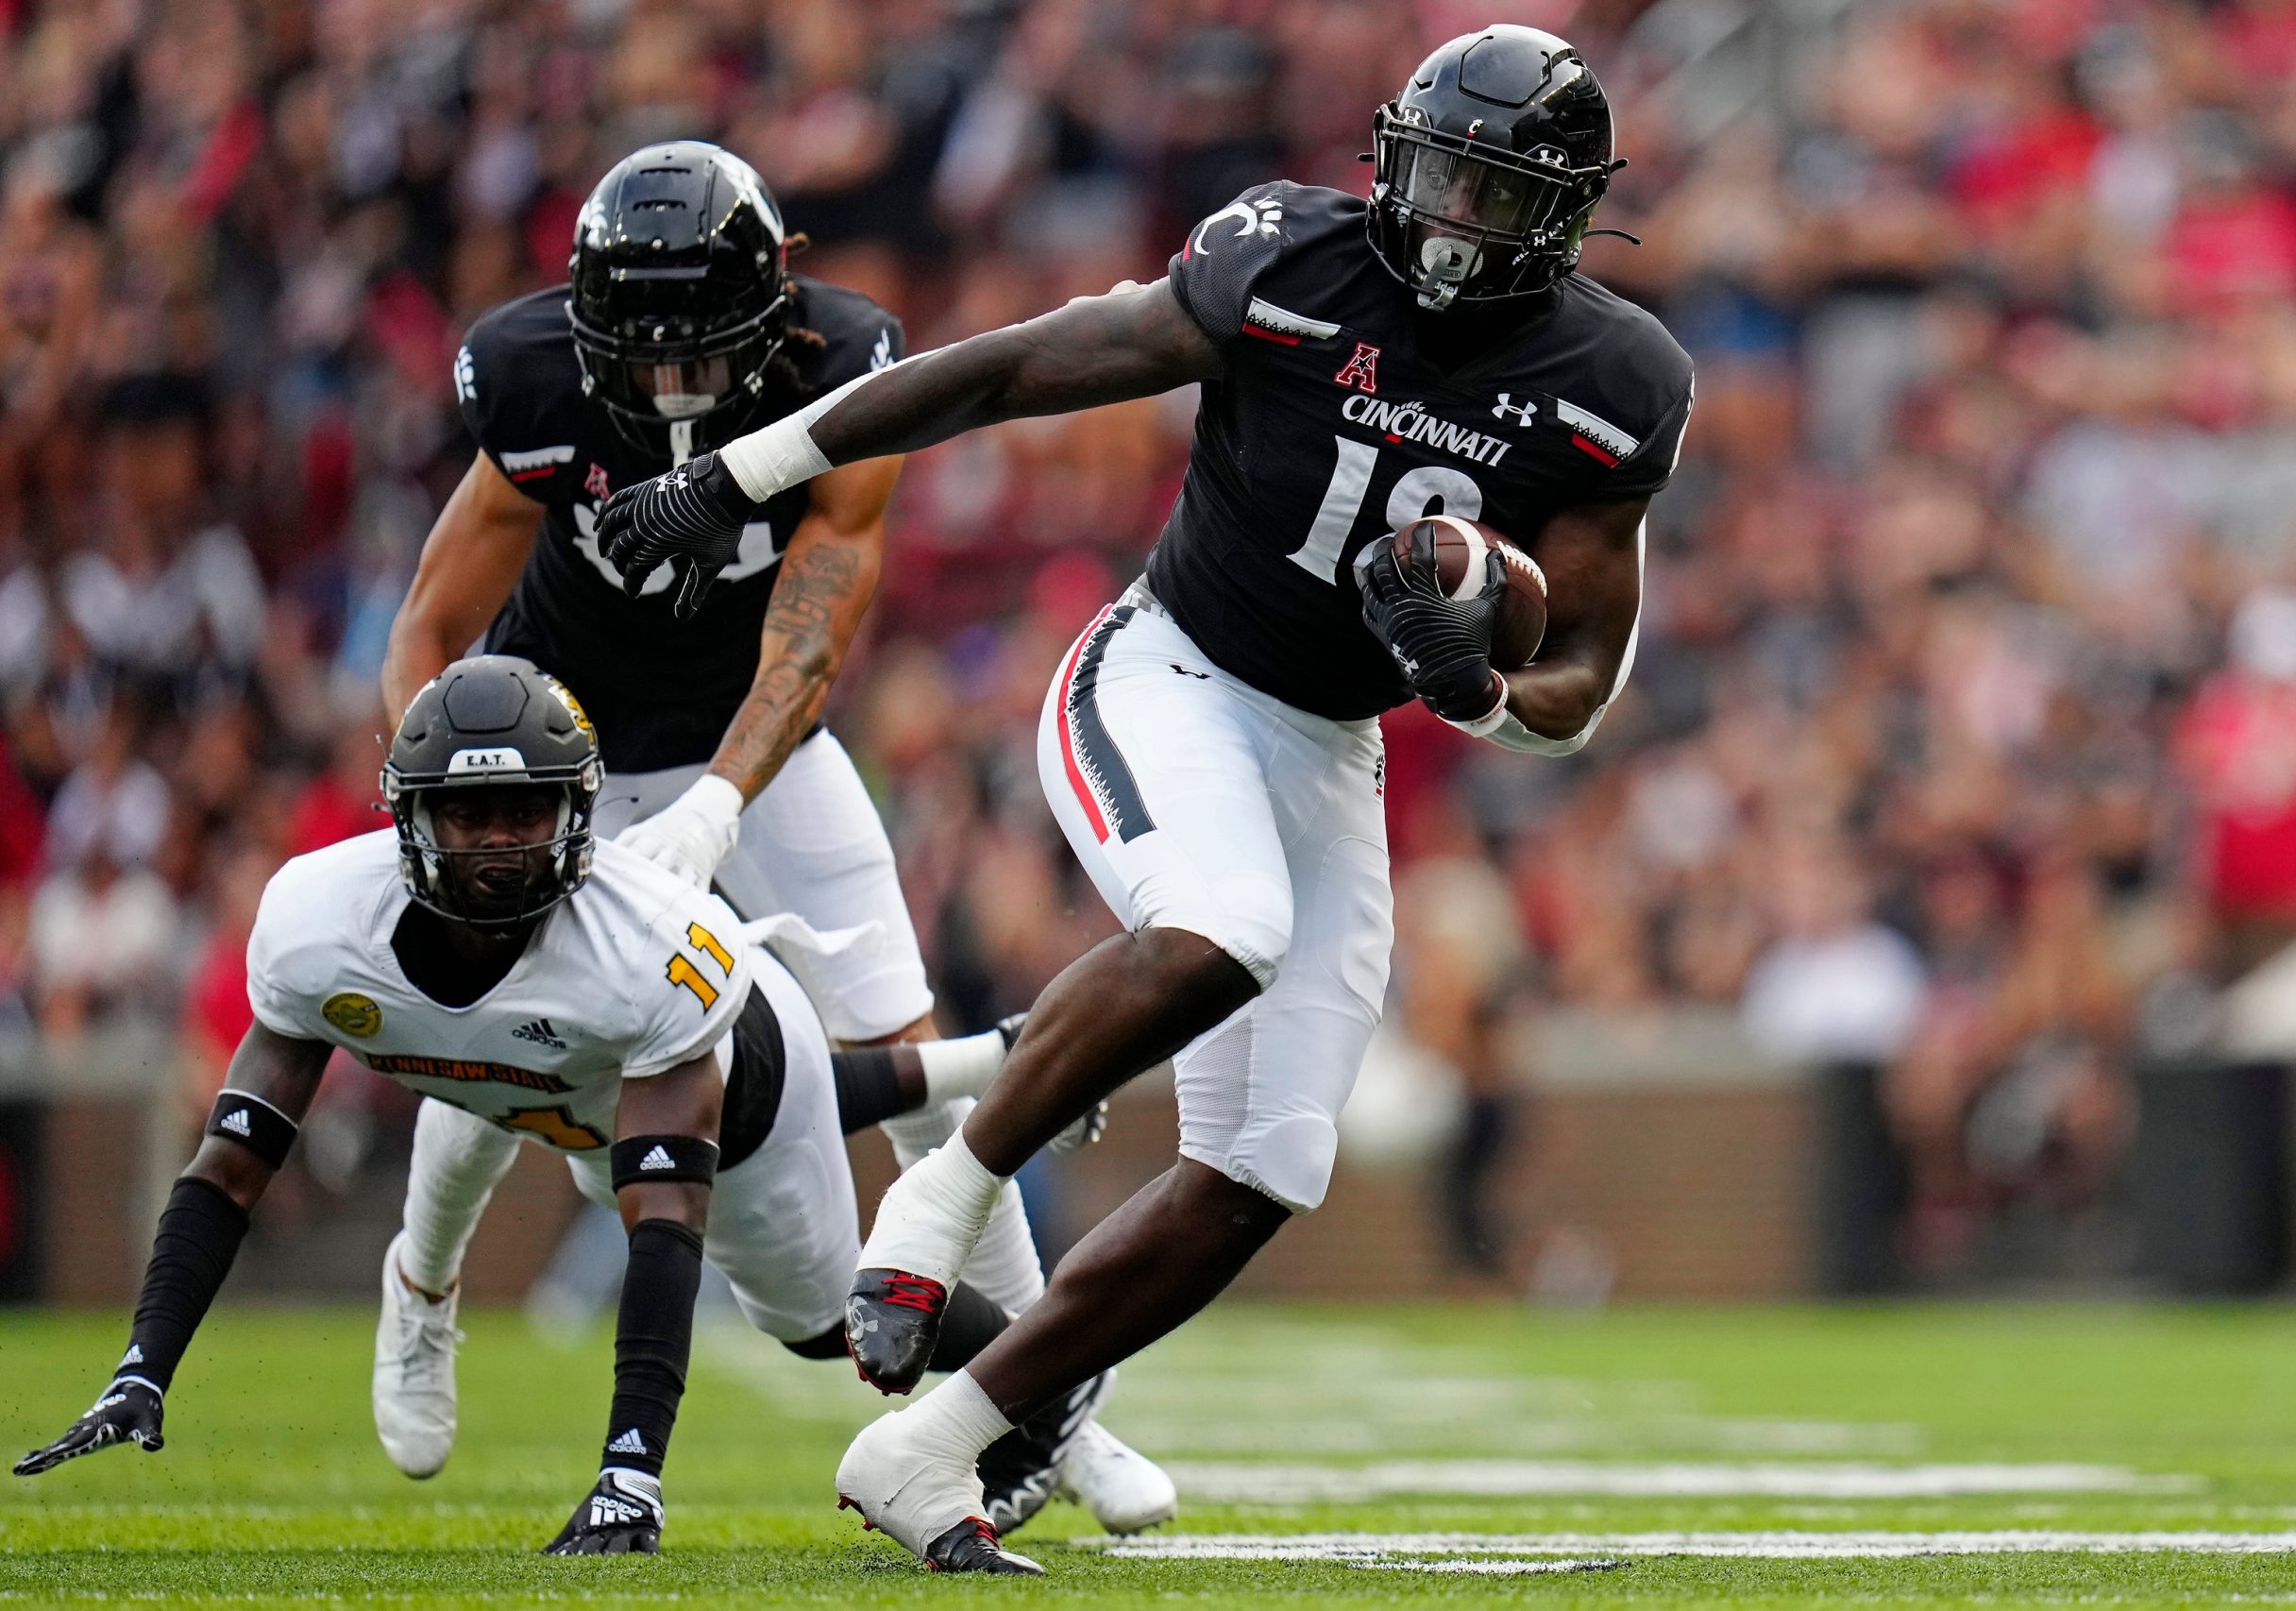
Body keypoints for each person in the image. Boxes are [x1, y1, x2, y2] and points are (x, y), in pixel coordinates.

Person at [597, 26, 1694, 1574]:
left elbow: (1577, 679)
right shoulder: (1289, 259)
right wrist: (746, 472)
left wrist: (1474, 690)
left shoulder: (1616, 379)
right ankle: (941, 1204)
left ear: (1565, 216)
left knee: (1273, 1163)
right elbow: (1013, 367)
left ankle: (937, 1442)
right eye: (1437, 173)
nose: (1450, 217)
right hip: (1168, 670)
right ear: (1391, 157)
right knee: (1224, 923)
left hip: (1330, 744)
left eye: (1491, 192)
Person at [374, 143, 1157, 1532]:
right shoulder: (538, 376)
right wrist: (429, 788)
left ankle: (1050, 1390)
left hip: (760, 739)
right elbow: (434, 623)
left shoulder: (847, 364)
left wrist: (722, 797)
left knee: (910, 1046)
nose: (672, 387)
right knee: (491, 1030)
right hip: (562, 746)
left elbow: (819, 618)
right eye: (645, 354)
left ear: (776, 311)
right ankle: (422, 1294)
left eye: (703, 356)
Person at [9, 658, 1122, 1562]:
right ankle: (422, 1283)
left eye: (524, 809)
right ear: (410, 822)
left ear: (577, 809)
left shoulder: (641, 946)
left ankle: (1046, 1361)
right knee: (477, 1078)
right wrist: (142, 1365)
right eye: (470, 813)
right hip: (549, 1080)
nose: (499, 840)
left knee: (820, 1320)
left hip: (728, 1071)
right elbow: (228, 1166)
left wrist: (627, 1474)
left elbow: (664, 1216)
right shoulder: (318, 919)